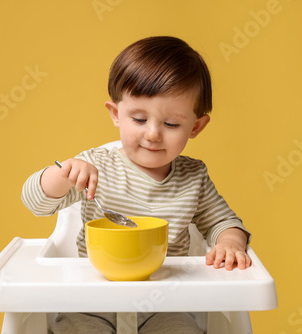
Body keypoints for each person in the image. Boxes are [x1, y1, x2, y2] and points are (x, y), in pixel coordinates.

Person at [22, 36, 252, 334]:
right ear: (116, 114)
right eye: (139, 119)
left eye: (171, 124)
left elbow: (224, 221)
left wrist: (230, 244)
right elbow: (35, 203)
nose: (153, 134)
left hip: (163, 304)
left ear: (196, 126)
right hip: (92, 302)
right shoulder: (95, 166)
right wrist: (63, 175)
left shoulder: (193, 178)